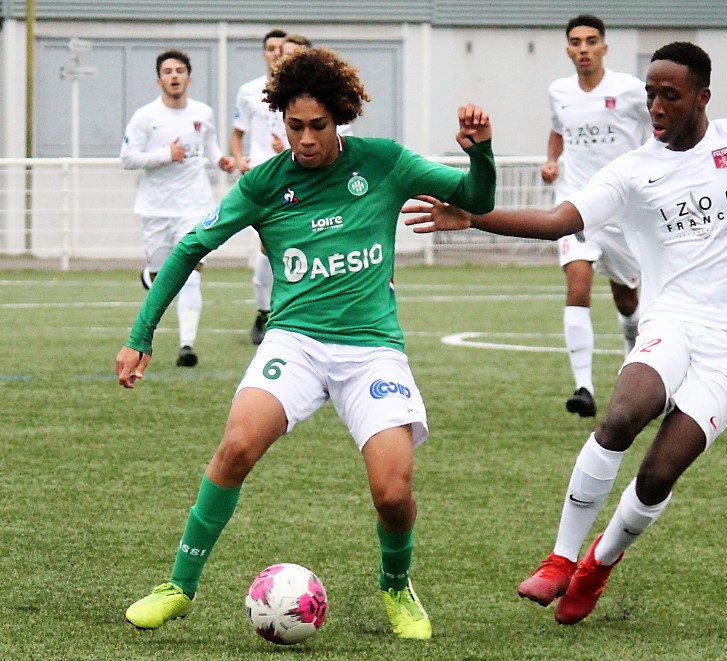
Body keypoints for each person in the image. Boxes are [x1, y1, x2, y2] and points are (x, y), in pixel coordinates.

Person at [403, 41, 727, 625]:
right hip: (671, 320)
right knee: (622, 415)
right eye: (650, 95)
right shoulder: (635, 170)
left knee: (659, 472)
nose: (656, 107)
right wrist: (474, 216)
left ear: (703, 97)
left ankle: (599, 563)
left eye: (670, 96)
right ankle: (560, 558)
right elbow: (559, 221)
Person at [117, 47, 496, 640]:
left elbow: (476, 197)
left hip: (371, 349)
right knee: (236, 446)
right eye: (295, 126)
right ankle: (179, 586)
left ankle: (396, 585)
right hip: (293, 342)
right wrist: (141, 336)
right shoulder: (265, 183)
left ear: (340, 117)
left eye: (318, 125)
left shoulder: (384, 162)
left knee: (393, 492)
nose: (306, 139)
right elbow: (190, 247)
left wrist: (481, 153)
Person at [543, 14, 647, 418]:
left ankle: (632, 355)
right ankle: (583, 387)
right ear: (568, 49)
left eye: (590, 41)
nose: (583, 49)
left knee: (627, 298)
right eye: (575, 42)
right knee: (578, 284)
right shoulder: (559, 91)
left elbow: (661, 122)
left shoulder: (629, 90)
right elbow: (558, 130)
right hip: (577, 204)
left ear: (604, 46)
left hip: (622, 208)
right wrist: (553, 161)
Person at [121, 49, 234, 367]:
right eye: (168, 72)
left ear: (188, 78)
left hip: (194, 205)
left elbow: (210, 147)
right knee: (161, 277)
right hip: (157, 208)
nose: (174, 76)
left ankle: (187, 346)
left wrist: (221, 161)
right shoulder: (145, 117)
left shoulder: (203, 113)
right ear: (159, 80)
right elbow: (127, 159)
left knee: (191, 273)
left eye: (180, 71)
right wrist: (164, 155)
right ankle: (149, 275)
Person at [230, 29, 287, 345]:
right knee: (268, 244)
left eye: (281, 48)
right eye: (271, 48)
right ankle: (264, 312)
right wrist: (240, 161)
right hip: (264, 180)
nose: (276, 53)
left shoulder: (303, 91)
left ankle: (289, 312)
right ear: (264, 53)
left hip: (297, 176)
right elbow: (237, 134)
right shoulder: (250, 91)